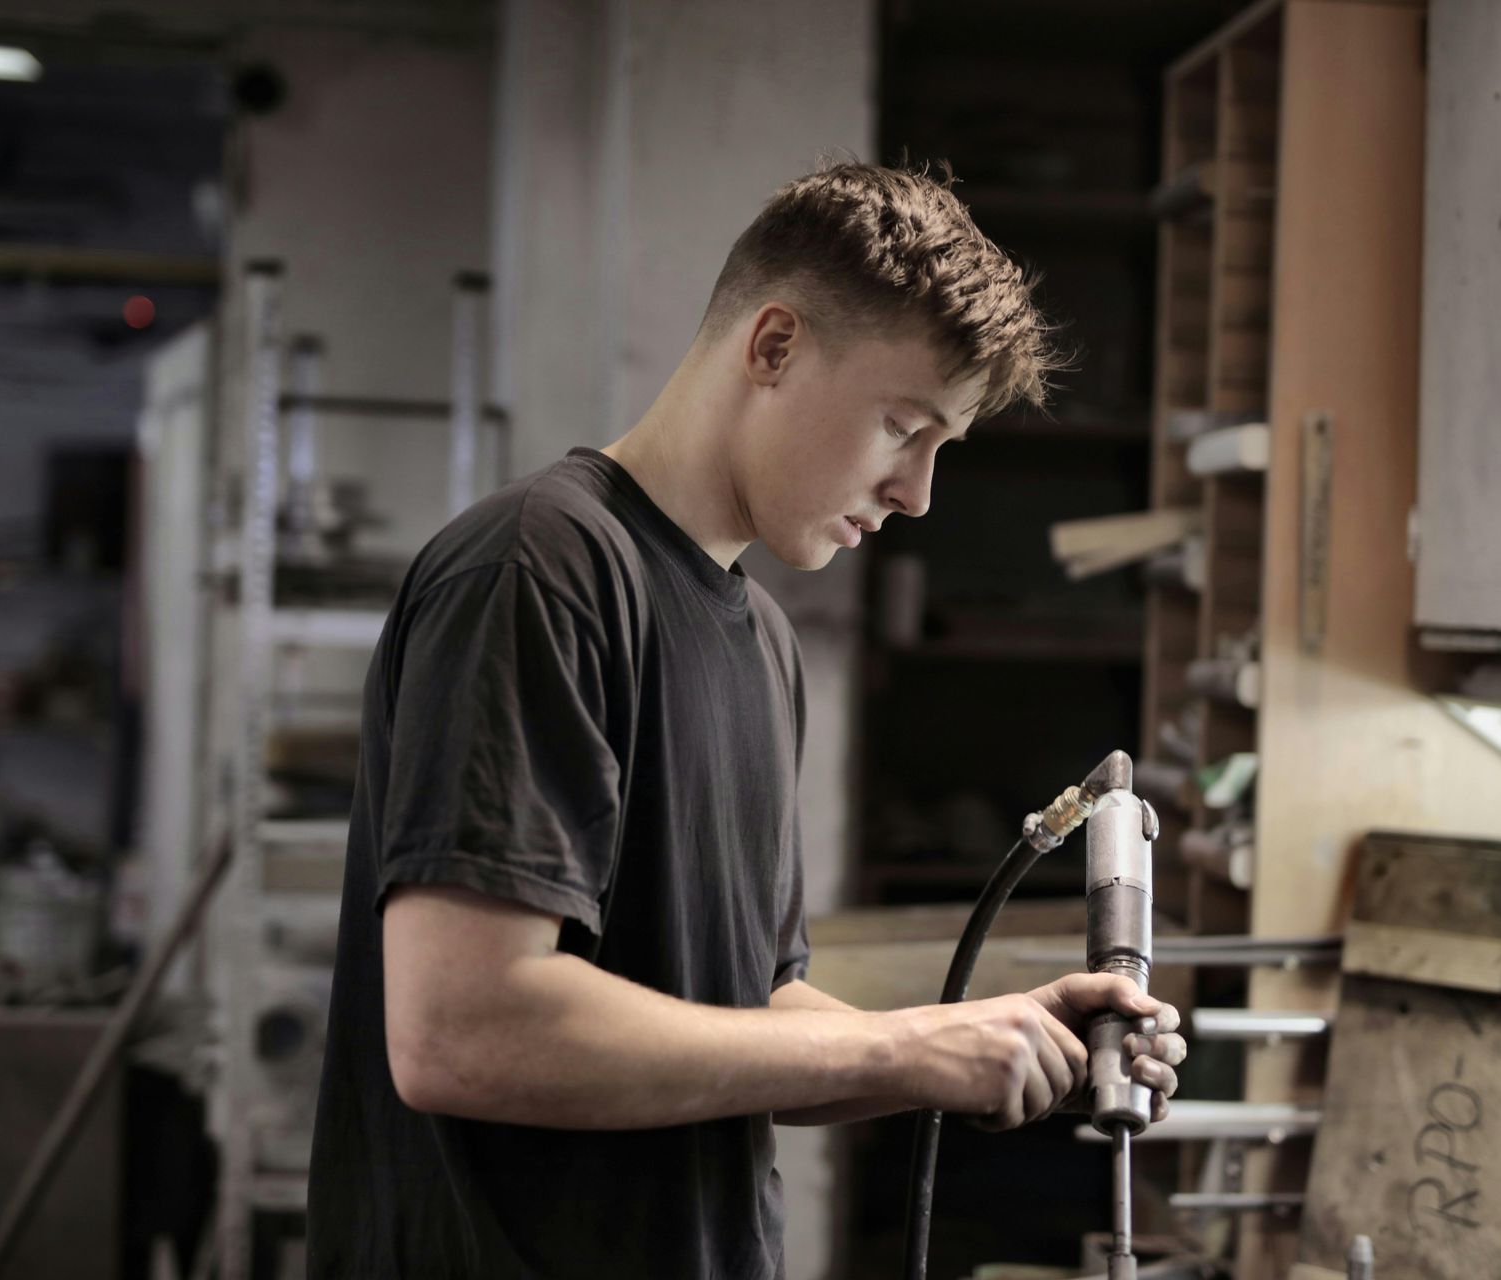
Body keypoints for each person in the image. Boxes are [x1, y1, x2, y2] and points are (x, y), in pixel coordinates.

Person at [305, 161, 1187, 1279]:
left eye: (940, 449)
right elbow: (462, 1031)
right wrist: (905, 1041)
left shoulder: (763, 642)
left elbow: (748, 1010)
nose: (916, 493)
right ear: (773, 346)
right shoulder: (540, 571)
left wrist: (985, 1042)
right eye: (901, 427)